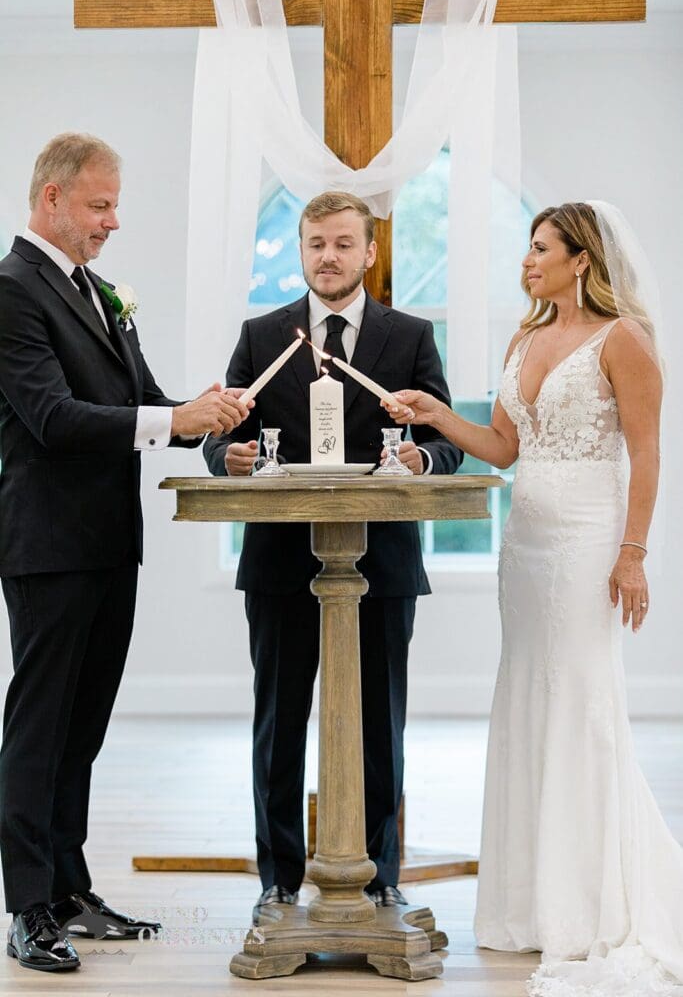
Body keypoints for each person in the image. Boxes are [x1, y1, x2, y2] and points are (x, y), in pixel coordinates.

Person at [385, 202, 683, 995]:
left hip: (590, 544)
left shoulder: (623, 341)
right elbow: (505, 447)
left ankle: (587, 906)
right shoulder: (523, 338)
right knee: (526, 700)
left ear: (580, 258)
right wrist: (434, 414)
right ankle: (528, 905)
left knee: (579, 701)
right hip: (524, 547)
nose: (526, 261)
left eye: (539, 248)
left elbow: (648, 453)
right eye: (527, 248)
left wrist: (632, 554)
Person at [0, 132, 250, 973]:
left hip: (111, 543)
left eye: (114, 204)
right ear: (52, 201)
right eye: (99, 205)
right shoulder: (9, 290)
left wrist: (207, 421)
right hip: (46, 544)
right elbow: (51, 419)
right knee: (37, 730)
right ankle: (27, 907)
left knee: (83, 729)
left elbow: (143, 406)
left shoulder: (102, 292)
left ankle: (70, 890)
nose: (113, 221)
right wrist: (170, 421)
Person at [204, 191, 462, 921]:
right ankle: (278, 881)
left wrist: (422, 459)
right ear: (302, 249)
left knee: (380, 725)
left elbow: (444, 436)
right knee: (278, 724)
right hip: (280, 560)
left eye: (344, 243)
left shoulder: (409, 336)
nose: (329, 256)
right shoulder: (261, 336)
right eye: (316, 243)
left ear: (370, 252)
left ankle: (380, 876)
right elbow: (217, 434)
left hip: (381, 560)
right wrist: (230, 455)